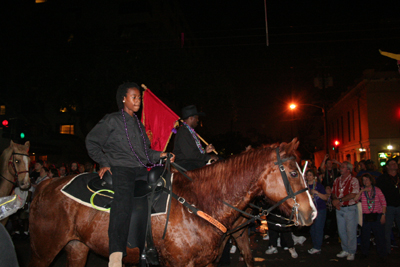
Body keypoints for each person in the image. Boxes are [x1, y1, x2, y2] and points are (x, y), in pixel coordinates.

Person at [86, 82, 175, 267]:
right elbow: (92, 141)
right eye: (134, 97)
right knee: (123, 203)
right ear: (123, 99)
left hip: (141, 171)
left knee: (159, 195)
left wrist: (163, 155)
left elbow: (146, 154)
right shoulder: (112, 120)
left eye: (139, 98)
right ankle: (116, 254)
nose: (138, 101)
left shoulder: (140, 127)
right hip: (121, 169)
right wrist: (104, 162)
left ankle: (150, 247)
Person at [173, 105, 218, 171]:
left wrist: (205, 151)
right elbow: (190, 155)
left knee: (220, 161)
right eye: (197, 118)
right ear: (191, 118)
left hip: (193, 163)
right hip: (185, 165)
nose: (198, 120)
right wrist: (209, 157)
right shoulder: (183, 132)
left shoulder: (190, 132)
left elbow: (194, 153)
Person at [331, 161, 360, 261]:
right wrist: (336, 201)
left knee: (350, 231)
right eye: (340, 167)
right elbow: (333, 192)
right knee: (341, 231)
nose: (340, 169)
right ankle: (345, 249)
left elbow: (353, 194)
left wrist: (339, 200)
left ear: (348, 169)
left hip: (350, 208)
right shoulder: (337, 180)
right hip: (340, 209)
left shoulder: (353, 180)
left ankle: (352, 251)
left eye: (342, 167)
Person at [354, 173, 387, 260]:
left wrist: (383, 215)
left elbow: (383, 203)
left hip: (377, 215)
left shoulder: (377, 190)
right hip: (366, 217)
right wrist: (362, 191)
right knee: (365, 236)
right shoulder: (361, 190)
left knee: (379, 236)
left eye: (367, 180)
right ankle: (364, 253)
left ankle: (382, 254)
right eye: (364, 180)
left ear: (371, 180)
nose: (365, 182)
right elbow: (355, 199)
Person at [376, 158, 400, 255]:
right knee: (387, 229)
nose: (395, 165)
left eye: (395, 163)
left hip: (399, 205)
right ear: (387, 167)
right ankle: (387, 250)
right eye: (392, 164)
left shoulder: (399, 177)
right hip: (388, 206)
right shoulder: (383, 178)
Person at [306, 169, 328, 254]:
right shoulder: (305, 186)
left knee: (318, 228)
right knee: (312, 229)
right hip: (310, 211)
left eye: (310, 175)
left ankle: (317, 247)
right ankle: (315, 246)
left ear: (314, 176)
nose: (309, 177)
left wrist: (316, 193)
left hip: (320, 209)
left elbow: (325, 197)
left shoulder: (319, 186)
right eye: (307, 175)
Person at [319, 155, 340, 241]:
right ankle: (326, 232)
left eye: (330, 163)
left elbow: (345, 167)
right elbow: (321, 168)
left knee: (334, 212)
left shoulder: (335, 171)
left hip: (334, 192)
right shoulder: (325, 172)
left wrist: (337, 162)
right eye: (328, 163)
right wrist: (324, 159)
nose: (329, 164)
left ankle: (333, 231)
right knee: (328, 212)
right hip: (326, 192)